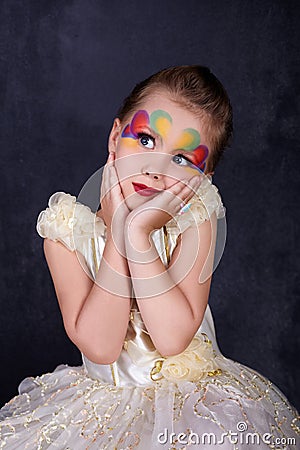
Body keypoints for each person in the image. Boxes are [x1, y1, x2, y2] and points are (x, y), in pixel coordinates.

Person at [0, 66, 298, 449]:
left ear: (205, 178)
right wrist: (118, 231)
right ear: (114, 136)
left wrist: (137, 234)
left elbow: (172, 337)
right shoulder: (65, 235)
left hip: (196, 412)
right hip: (100, 413)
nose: (155, 167)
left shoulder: (194, 221)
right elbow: (101, 345)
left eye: (183, 160)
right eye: (144, 139)